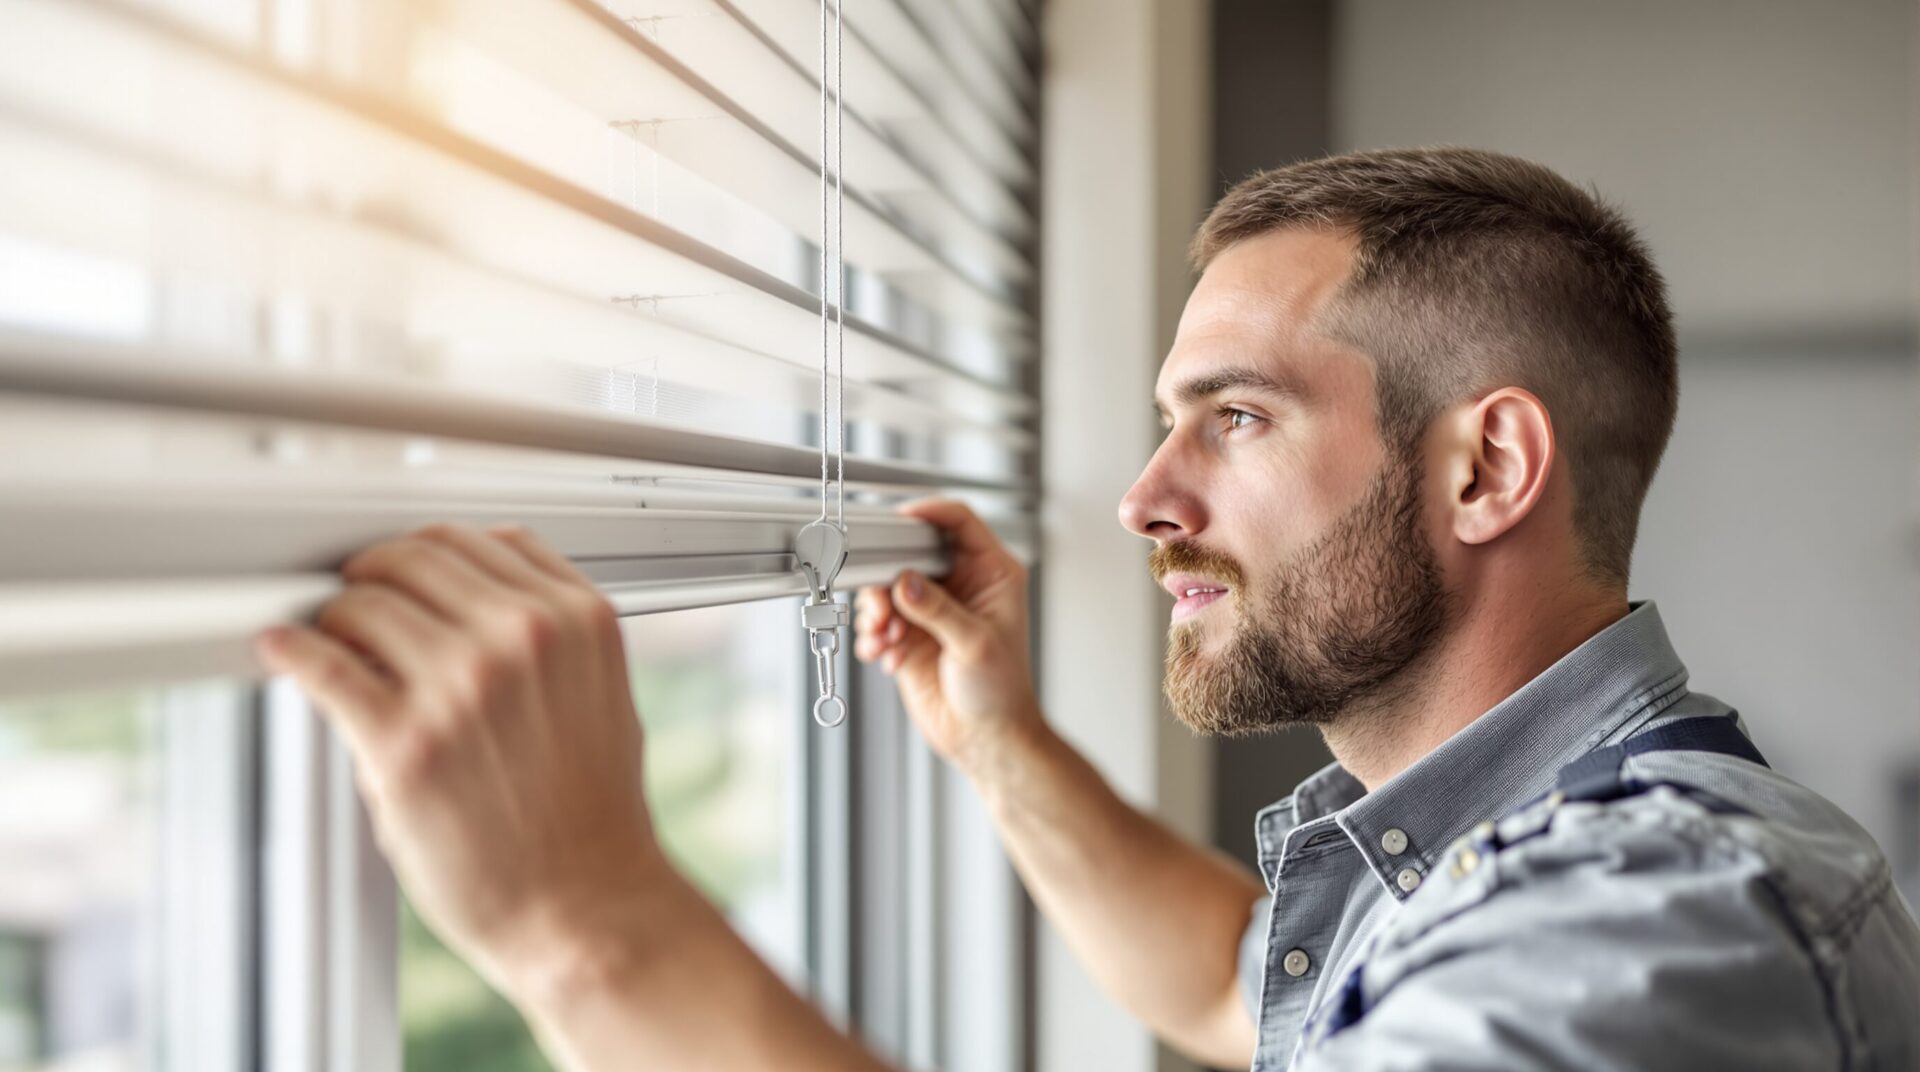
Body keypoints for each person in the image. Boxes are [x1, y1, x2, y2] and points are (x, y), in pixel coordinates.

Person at [253, 147, 1920, 1070]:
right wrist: (998, 742)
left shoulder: (1658, 924)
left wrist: (588, 923)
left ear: (1485, 469)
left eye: (1236, 417)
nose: (1144, 498)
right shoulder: (1510, 857)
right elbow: (1231, 984)